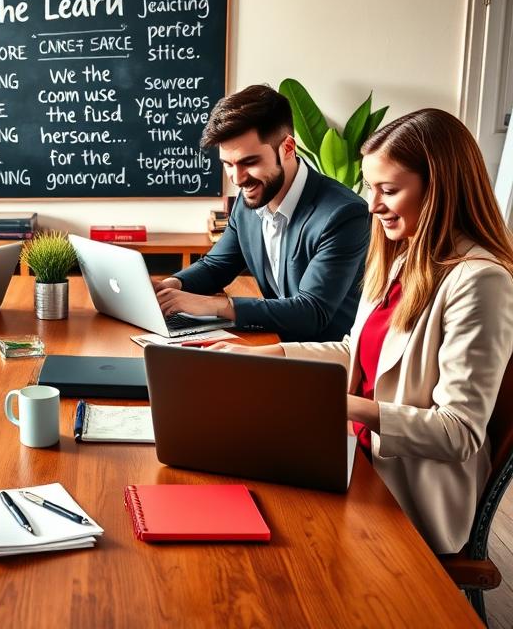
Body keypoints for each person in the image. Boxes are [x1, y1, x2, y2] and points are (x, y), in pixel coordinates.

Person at [210, 109, 513, 554]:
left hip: (408, 496)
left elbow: (458, 432)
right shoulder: (402, 254)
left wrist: (334, 403)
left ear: (440, 189)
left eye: (388, 190)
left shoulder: (480, 280)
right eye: (371, 188)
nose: (372, 205)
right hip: (356, 456)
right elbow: (355, 351)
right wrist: (265, 359)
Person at [154, 84, 370, 342]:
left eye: (249, 162)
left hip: (328, 363)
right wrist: (172, 286)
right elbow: (217, 266)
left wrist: (214, 306)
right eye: (228, 164)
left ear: (288, 148)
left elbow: (312, 312)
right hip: (274, 344)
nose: (237, 178)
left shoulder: (343, 214)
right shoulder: (249, 202)